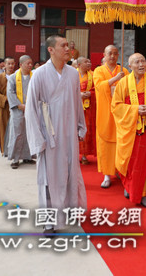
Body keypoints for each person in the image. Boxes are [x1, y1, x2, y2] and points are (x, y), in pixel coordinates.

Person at [25, 35, 87, 233]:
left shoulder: (72, 73)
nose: (68, 48)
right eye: (63, 46)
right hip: (49, 134)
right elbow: (31, 108)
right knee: (48, 178)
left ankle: (69, 213)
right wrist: (38, 139)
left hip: (68, 133)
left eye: (68, 45)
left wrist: (80, 125)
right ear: (51, 50)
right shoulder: (40, 74)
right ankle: (49, 222)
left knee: (70, 174)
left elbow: (77, 102)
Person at [112, 53, 146, 207]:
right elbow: (115, 106)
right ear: (130, 66)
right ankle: (128, 186)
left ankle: (141, 194)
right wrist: (135, 110)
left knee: (142, 164)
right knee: (129, 161)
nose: (141, 64)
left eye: (143, 61)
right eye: (137, 62)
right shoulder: (123, 83)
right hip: (130, 131)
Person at [93, 45, 129, 188]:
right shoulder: (99, 70)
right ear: (104, 55)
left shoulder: (124, 70)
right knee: (105, 145)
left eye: (115, 53)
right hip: (105, 112)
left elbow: (128, 88)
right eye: (110, 53)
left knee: (121, 143)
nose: (113, 56)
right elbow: (99, 86)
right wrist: (115, 79)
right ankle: (107, 175)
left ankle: (120, 171)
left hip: (120, 113)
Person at [5, 55, 34, 169]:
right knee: (17, 133)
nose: (30, 65)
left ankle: (28, 156)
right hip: (17, 109)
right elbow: (10, 92)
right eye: (28, 63)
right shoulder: (13, 77)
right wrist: (19, 105)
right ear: (21, 65)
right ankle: (16, 158)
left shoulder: (34, 77)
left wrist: (31, 105)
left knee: (30, 132)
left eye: (31, 63)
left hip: (31, 109)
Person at [0, 57, 15, 155]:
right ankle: (4, 149)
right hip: (4, 106)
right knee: (4, 128)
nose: (11, 66)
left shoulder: (17, 76)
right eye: (9, 64)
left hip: (15, 106)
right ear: (4, 65)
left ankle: (15, 149)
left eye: (12, 64)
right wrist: (4, 99)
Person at [77, 57, 96, 165]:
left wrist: (91, 94)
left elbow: (96, 89)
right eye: (86, 62)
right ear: (79, 64)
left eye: (89, 61)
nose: (89, 63)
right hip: (75, 107)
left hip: (88, 107)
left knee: (86, 131)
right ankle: (74, 154)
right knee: (74, 130)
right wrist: (78, 94)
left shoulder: (93, 75)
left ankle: (84, 155)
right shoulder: (73, 75)